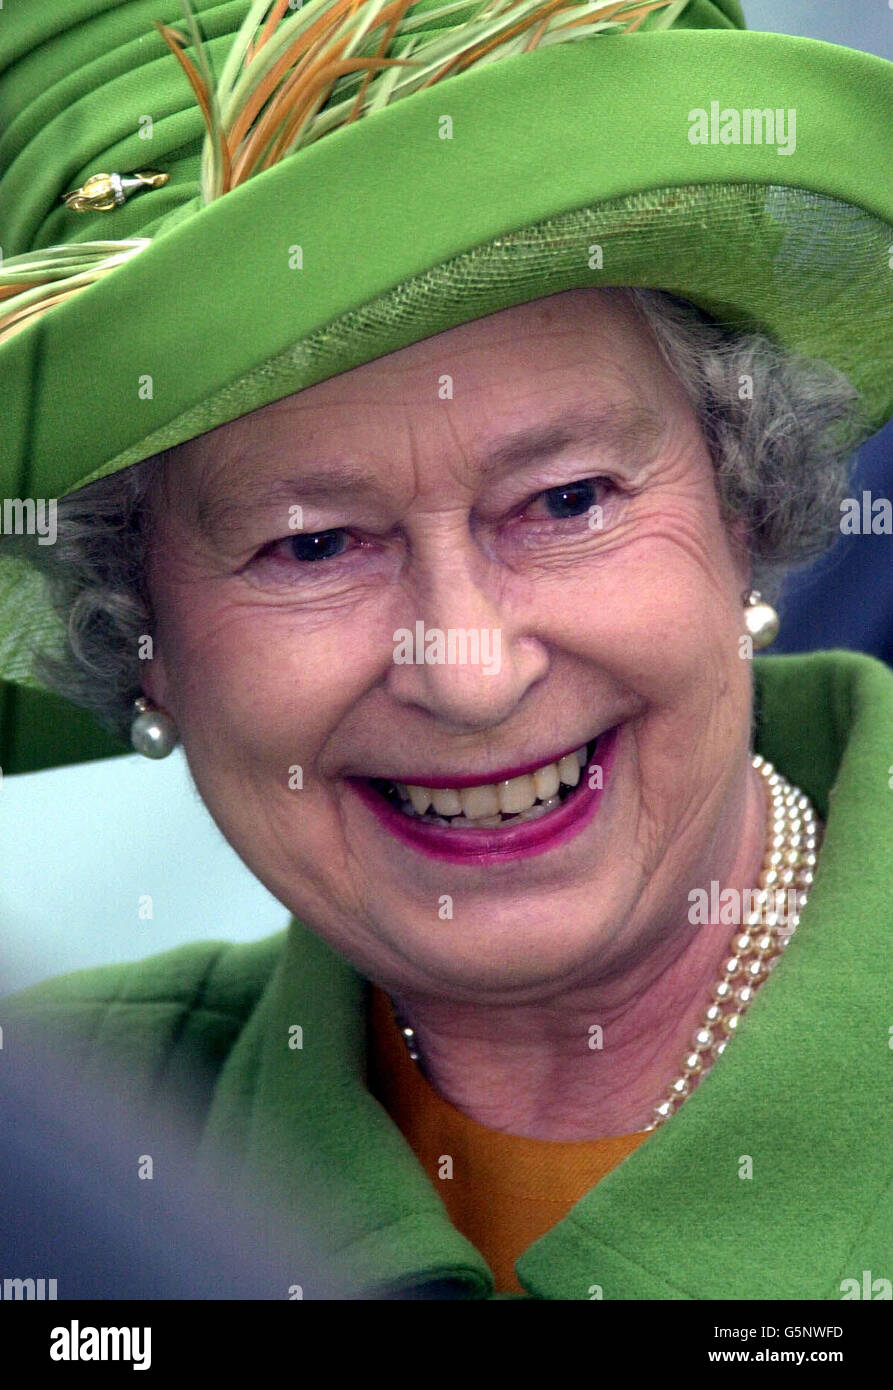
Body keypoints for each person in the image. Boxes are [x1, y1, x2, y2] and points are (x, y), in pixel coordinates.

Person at [1, 0, 891, 1301]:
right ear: (133, 636)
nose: (468, 674)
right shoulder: (56, 1185)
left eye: (568, 500)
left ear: (745, 504)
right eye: (312, 545)